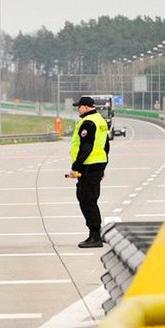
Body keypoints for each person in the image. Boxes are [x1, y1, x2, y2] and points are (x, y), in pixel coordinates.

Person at [68, 96, 110, 248]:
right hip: (97, 166)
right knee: (90, 200)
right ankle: (96, 233)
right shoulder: (100, 121)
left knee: (87, 200)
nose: (78, 110)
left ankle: (95, 236)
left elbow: (86, 147)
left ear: (85, 107)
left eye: (79, 107)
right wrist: (103, 167)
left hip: (88, 167)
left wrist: (75, 167)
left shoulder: (88, 123)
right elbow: (105, 146)